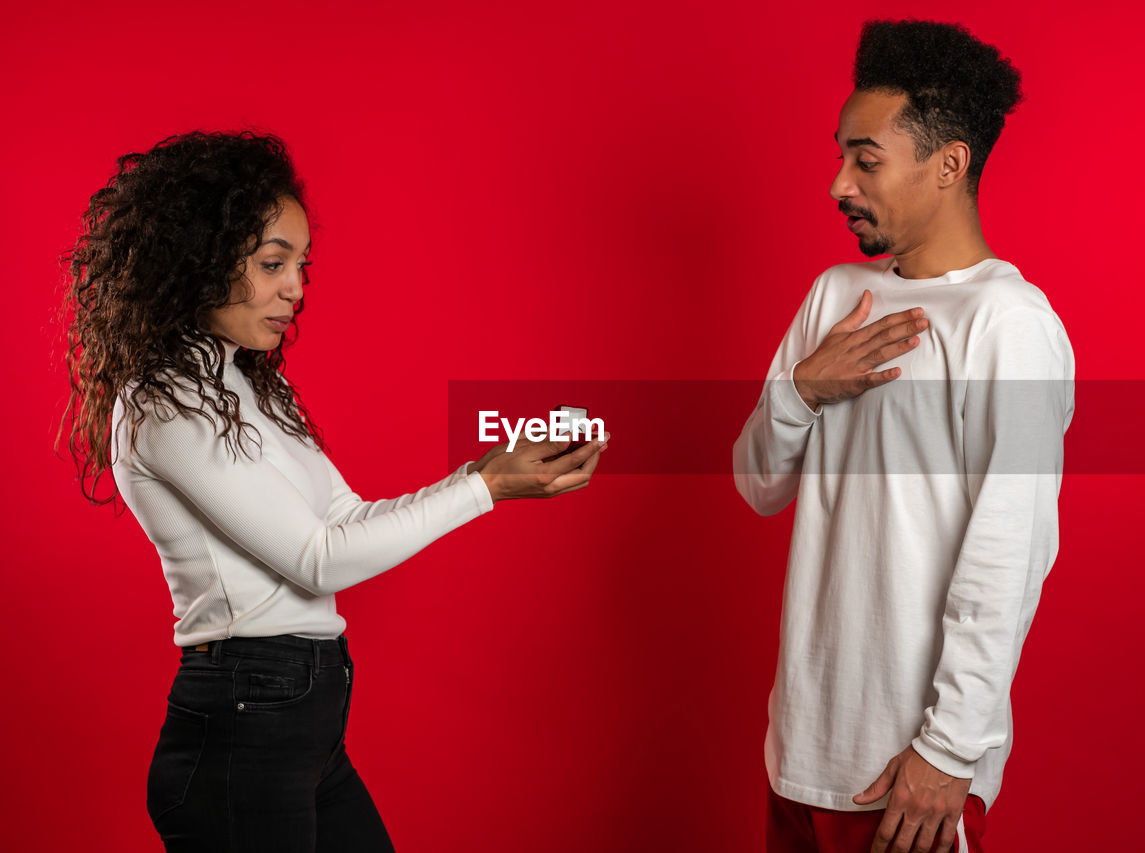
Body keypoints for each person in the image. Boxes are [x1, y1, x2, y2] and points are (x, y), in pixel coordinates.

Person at [57, 130, 607, 852]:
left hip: (301, 725)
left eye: (299, 265)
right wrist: (485, 486)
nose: (296, 288)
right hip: (243, 729)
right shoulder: (164, 402)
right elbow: (317, 559)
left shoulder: (247, 382)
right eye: (271, 263)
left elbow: (342, 516)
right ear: (197, 259)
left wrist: (486, 469)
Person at [732, 19, 1074, 853]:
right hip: (801, 747)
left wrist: (950, 747)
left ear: (949, 163)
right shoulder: (835, 294)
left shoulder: (1009, 323)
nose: (838, 183)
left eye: (866, 159)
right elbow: (758, 485)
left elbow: (1010, 548)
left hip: (905, 771)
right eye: (842, 156)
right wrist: (803, 390)